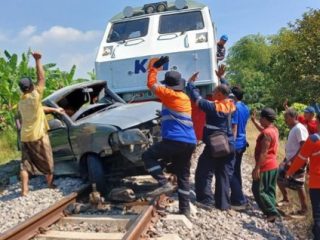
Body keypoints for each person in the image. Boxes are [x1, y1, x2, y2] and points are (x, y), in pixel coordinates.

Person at [142, 56, 197, 217]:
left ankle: (163, 182)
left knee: (148, 156)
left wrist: (154, 68)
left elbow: (151, 84)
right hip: (190, 142)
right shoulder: (184, 97)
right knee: (183, 175)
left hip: (175, 140)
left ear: (168, 85)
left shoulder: (169, 94)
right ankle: (184, 209)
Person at [187, 73, 236, 210]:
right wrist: (222, 79)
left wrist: (190, 84)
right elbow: (229, 92)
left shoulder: (212, 107)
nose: (212, 93)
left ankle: (205, 200)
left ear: (220, 94)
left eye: (215, 91)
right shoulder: (231, 104)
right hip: (229, 144)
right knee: (224, 174)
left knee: (204, 171)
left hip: (215, 145)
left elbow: (197, 99)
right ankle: (223, 204)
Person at [18, 52, 64, 196]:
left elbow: (40, 109)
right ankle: (50, 184)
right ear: (32, 86)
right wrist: (38, 60)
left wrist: (55, 109)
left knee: (25, 165)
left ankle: (24, 191)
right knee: (48, 162)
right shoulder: (35, 95)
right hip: (38, 136)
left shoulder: (22, 101)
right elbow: (42, 77)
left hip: (25, 137)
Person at [286, 114, 320, 239]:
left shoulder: (314, 139)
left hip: (317, 183)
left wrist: (289, 172)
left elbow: (301, 159)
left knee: (318, 215)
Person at [277, 108, 308, 216]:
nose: (285, 119)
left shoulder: (299, 128)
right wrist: (286, 160)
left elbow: (303, 146)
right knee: (279, 178)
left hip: (298, 161)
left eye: (287, 117)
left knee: (299, 185)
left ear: (294, 117)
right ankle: (286, 199)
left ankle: (304, 209)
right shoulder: (294, 128)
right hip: (290, 160)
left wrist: (293, 160)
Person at [251, 108, 280, 222]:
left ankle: (272, 212)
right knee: (269, 190)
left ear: (264, 118)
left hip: (265, 165)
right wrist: (254, 122)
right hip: (273, 165)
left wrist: (257, 168)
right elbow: (263, 130)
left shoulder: (267, 133)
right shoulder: (273, 129)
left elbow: (264, 152)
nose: (260, 120)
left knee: (258, 190)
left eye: (260, 118)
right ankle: (272, 208)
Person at [230, 86, 250, 209]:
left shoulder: (235, 108)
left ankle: (238, 200)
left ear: (234, 96)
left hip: (236, 143)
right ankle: (237, 196)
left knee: (230, 172)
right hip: (242, 142)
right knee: (236, 171)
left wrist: (230, 144)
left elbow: (234, 128)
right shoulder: (245, 107)